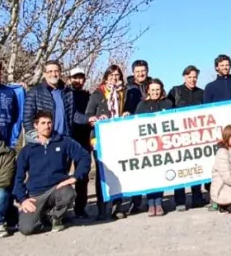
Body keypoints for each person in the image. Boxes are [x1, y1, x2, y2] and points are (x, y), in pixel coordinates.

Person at [14, 110, 91, 235]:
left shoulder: (64, 141)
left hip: (57, 189)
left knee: (68, 193)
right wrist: (23, 199)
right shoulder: (27, 150)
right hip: (36, 194)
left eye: (49, 122)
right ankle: (44, 216)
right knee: (26, 229)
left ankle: (56, 217)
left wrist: (75, 177)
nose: (47, 126)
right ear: (35, 125)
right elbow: (18, 178)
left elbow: (84, 157)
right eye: (43, 123)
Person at [86, 65, 139, 219]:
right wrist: (97, 118)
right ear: (106, 77)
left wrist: (127, 113)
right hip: (100, 137)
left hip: (118, 137)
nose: (114, 78)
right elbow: (89, 113)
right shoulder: (98, 93)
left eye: (117, 75)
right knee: (102, 172)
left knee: (118, 171)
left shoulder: (125, 93)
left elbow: (130, 110)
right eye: (111, 75)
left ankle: (118, 206)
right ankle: (102, 208)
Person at [167, 65, 206, 211]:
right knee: (180, 168)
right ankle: (180, 200)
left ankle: (197, 198)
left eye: (195, 77)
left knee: (196, 167)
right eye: (189, 77)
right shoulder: (175, 91)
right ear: (184, 77)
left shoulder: (202, 93)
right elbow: (167, 110)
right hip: (179, 137)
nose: (192, 80)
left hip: (196, 136)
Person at [135, 78, 173, 217]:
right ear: (148, 91)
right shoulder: (142, 105)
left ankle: (159, 202)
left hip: (163, 144)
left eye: (157, 90)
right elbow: (136, 124)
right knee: (150, 175)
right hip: (147, 146)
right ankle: (150, 203)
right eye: (152, 90)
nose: (155, 92)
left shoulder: (168, 103)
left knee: (161, 174)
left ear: (161, 90)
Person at [23, 60, 75, 142]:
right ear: (44, 74)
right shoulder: (35, 92)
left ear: (60, 73)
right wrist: (36, 139)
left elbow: (73, 115)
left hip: (64, 139)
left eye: (56, 71)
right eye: (50, 71)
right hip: (44, 141)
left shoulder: (67, 92)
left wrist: (89, 119)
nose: (53, 74)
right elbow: (27, 119)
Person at [67, 67, 92, 219]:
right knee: (62, 173)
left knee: (82, 175)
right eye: (75, 77)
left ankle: (80, 207)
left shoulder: (88, 96)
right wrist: (87, 119)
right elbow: (73, 115)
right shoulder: (65, 95)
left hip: (84, 139)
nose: (78, 80)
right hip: (68, 138)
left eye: (80, 77)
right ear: (70, 79)